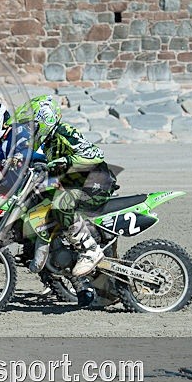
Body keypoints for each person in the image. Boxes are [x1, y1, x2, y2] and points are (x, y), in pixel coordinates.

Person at [27, 95, 117, 277]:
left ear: (45, 119)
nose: (31, 129)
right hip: (79, 184)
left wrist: (66, 161)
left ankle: (90, 249)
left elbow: (95, 153)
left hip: (96, 183)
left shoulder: (64, 131)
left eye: (34, 125)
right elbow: (45, 161)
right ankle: (48, 246)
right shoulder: (49, 143)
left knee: (61, 203)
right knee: (40, 199)